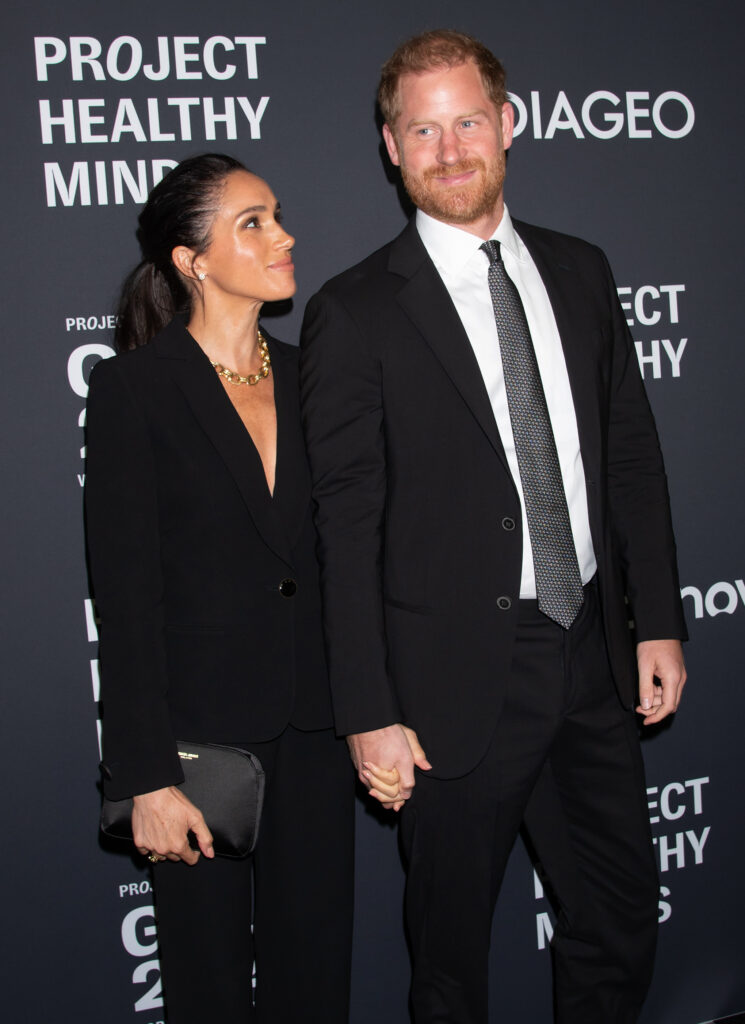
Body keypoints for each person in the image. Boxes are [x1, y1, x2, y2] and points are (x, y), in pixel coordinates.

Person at [300, 30, 687, 1024]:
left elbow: (631, 454)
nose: (448, 148)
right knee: (450, 961)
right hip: (447, 690)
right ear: (390, 148)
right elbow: (343, 529)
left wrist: (656, 621)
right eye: (421, 129)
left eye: (467, 120)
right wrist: (366, 711)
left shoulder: (581, 270)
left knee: (617, 921)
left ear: (507, 124)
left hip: (591, 651)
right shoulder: (354, 313)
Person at [85, 153, 354, 1024]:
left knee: (314, 983)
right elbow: (123, 602)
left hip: (316, 731)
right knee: (205, 993)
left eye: (276, 214)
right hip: (199, 756)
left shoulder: (316, 376)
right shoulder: (135, 389)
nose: (283, 237)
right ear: (190, 260)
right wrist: (146, 778)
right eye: (252, 223)